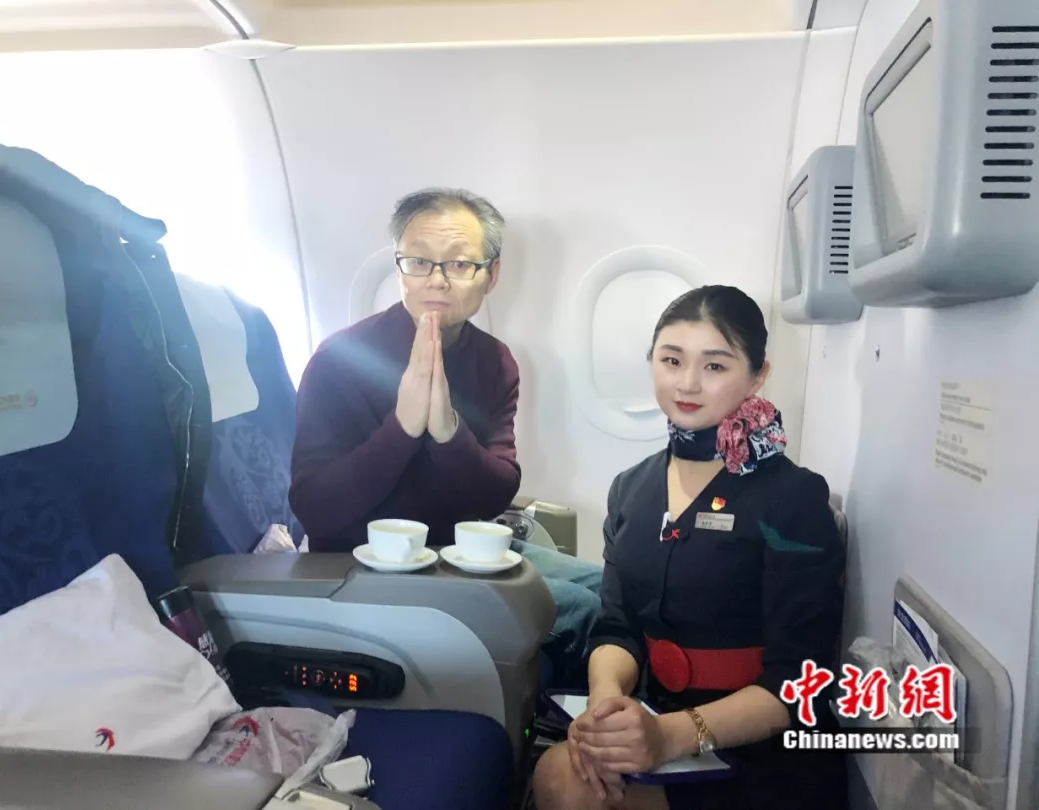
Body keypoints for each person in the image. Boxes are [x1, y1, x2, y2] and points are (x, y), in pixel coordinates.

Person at [532, 285, 848, 810]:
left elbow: (799, 682)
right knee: (559, 772)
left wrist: (671, 736)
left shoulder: (791, 499)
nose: (688, 383)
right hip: (657, 716)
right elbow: (617, 626)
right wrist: (606, 708)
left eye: (715, 366)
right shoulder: (631, 488)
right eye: (672, 360)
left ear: (758, 376)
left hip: (761, 747)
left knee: (575, 789)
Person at [289, 187, 602, 684]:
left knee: (611, 587)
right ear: (399, 268)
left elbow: (496, 491)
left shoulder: (495, 361)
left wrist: (447, 432)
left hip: (459, 551)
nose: (436, 279)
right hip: (366, 566)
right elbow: (314, 509)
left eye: (458, 264)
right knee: (581, 608)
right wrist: (402, 428)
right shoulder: (339, 360)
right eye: (418, 262)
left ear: (490, 275)